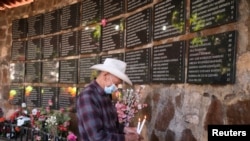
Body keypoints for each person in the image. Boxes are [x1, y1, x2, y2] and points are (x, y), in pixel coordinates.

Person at [76, 58, 141, 141]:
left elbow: (112, 125)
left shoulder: (106, 95)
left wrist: (125, 129)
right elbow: (97, 137)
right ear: (106, 76)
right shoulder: (87, 97)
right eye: (116, 84)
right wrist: (127, 138)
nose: (116, 88)